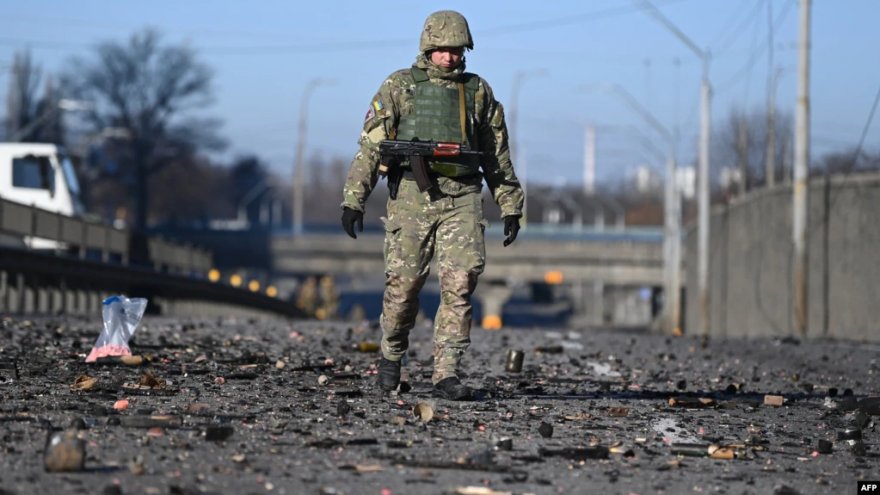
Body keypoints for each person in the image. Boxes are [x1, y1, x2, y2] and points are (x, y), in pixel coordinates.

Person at [340, 10, 524, 400]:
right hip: (412, 196)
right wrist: (354, 198)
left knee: (461, 283)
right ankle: (391, 354)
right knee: (404, 285)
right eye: (442, 49)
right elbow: (371, 146)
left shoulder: (477, 92)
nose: (450, 56)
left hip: (462, 196)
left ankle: (446, 372)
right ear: (427, 48)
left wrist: (510, 204)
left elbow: (496, 154)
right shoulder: (399, 86)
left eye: (457, 50)